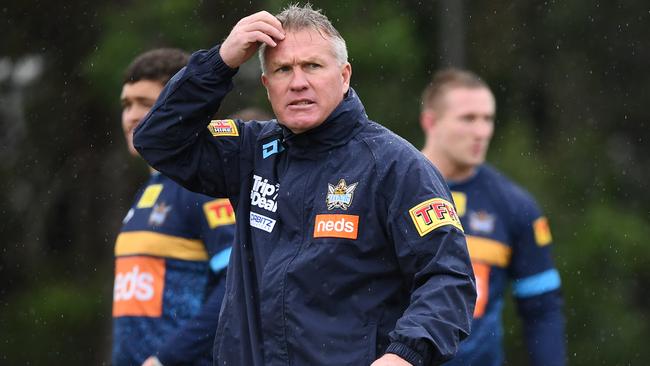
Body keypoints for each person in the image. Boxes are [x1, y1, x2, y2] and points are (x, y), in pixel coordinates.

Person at [133, 5, 476, 366]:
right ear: (267, 86)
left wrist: (404, 355)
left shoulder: (396, 166)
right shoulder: (251, 151)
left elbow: (449, 279)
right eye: (283, 69)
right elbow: (158, 140)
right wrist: (220, 62)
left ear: (344, 76)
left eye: (312, 66)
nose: (298, 82)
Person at [419, 68, 565, 366]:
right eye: (468, 119)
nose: (482, 131)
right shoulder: (388, 188)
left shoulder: (515, 205)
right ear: (430, 121)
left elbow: (542, 309)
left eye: (488, 119)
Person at [113, 48, 236, 366]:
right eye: (127, 104)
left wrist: (166, 358)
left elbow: (234, 285)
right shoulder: (149, 190)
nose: (132, 116)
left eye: (145, 103)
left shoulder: (203, 188)